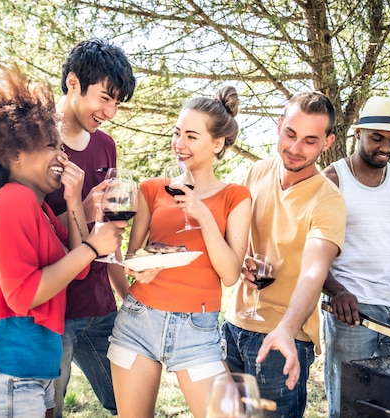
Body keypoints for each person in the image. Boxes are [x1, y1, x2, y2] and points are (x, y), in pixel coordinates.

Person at [0, 67, 127, 417]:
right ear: (14, 155)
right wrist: (92, 248)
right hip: (2, 373)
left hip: (32, 373)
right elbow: (23, 294)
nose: (63, 156)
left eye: (61, 146)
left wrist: (74, 200)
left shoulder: (37, 209)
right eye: (51, 146)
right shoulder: (13, 200)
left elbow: (78, 272)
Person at [107, 86, 252, 417]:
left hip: (197, 331)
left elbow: (230, 274)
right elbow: (133, 256)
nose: (179, 144)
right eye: (176, 134)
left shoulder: (236, 196)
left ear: (217, 144)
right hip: (139, 320)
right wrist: (137, 268)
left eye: (191, 136)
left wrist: (202, 214)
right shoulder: (153, 189)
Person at [223, 91, 346, 417]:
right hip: (232, 328)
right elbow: (232, 237)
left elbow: (313, 271)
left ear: (327, 142)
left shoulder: (328, 200)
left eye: (309, 140)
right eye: (290, 134)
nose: (295, 148)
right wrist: (241, 262)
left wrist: (287, 329)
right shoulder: (256, 173)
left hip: (282, 340)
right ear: (279, 126)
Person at [318, 96, 390, 418]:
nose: (386, 147)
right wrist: (336, 291)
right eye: (377, 138)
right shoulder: (332, 179)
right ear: (357, 135)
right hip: (354, 313)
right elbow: (311, 249)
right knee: (348, 407)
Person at [44, 38, 136, 418]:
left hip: (100, 306)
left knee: (128, 400)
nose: (110, 112)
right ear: (72, 83)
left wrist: (126, 294)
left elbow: (109, 234)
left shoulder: (105, 145)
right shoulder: (35, 142)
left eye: (117, 103)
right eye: (105, 98)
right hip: (53, 309)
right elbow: (30, 234)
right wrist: (82, 205)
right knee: (49, 408)